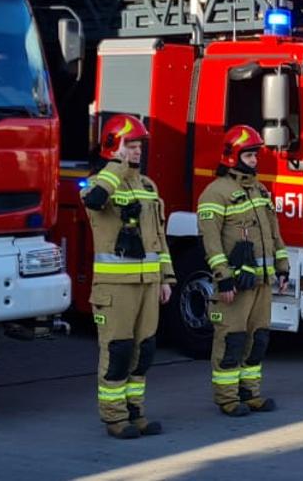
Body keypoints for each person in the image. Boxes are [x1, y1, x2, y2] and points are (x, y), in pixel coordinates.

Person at [81, 115, 174, 439]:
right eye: (129, 145)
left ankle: (136, 412)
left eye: (137, 146)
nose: (136, 152)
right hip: (115, 288)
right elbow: (94, 201)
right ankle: (115, 417)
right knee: (118, 351)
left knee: (143, 351)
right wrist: (116, 165)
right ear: (112, 147)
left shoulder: (148, 187)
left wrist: (166, 278)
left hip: (148, 285)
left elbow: (158, 237)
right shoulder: (99, 182)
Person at [195, 125, 290, 416]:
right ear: (232, 156)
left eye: (255, 154)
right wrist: (223, 279)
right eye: (248, 154)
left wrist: (282, 267)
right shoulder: (215, 193)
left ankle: (250, 393)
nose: (254, 159)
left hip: (261, 282)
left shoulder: (259, 190)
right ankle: (227, 397)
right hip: (235, 284)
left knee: (258, 338)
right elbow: (211, 243)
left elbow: (273, 233)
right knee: (231, 339)